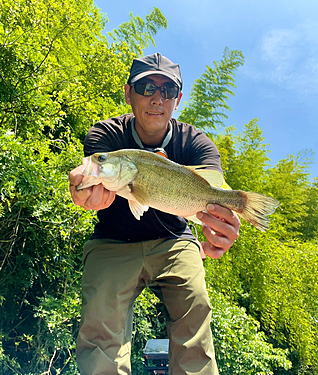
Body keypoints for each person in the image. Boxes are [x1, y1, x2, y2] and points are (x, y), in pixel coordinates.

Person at [68, 53, 241, 375]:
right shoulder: (105, 138)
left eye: (167, 90)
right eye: (146, 87)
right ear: (128, 93)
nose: (157, 98)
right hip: (112, 241)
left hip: (174, 239)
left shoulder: (197, 143)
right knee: (100, 324)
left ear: (178, 99)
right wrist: (84, 190)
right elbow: (91, 174)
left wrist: (224, 223)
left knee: (196, 309)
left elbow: (217, 192)